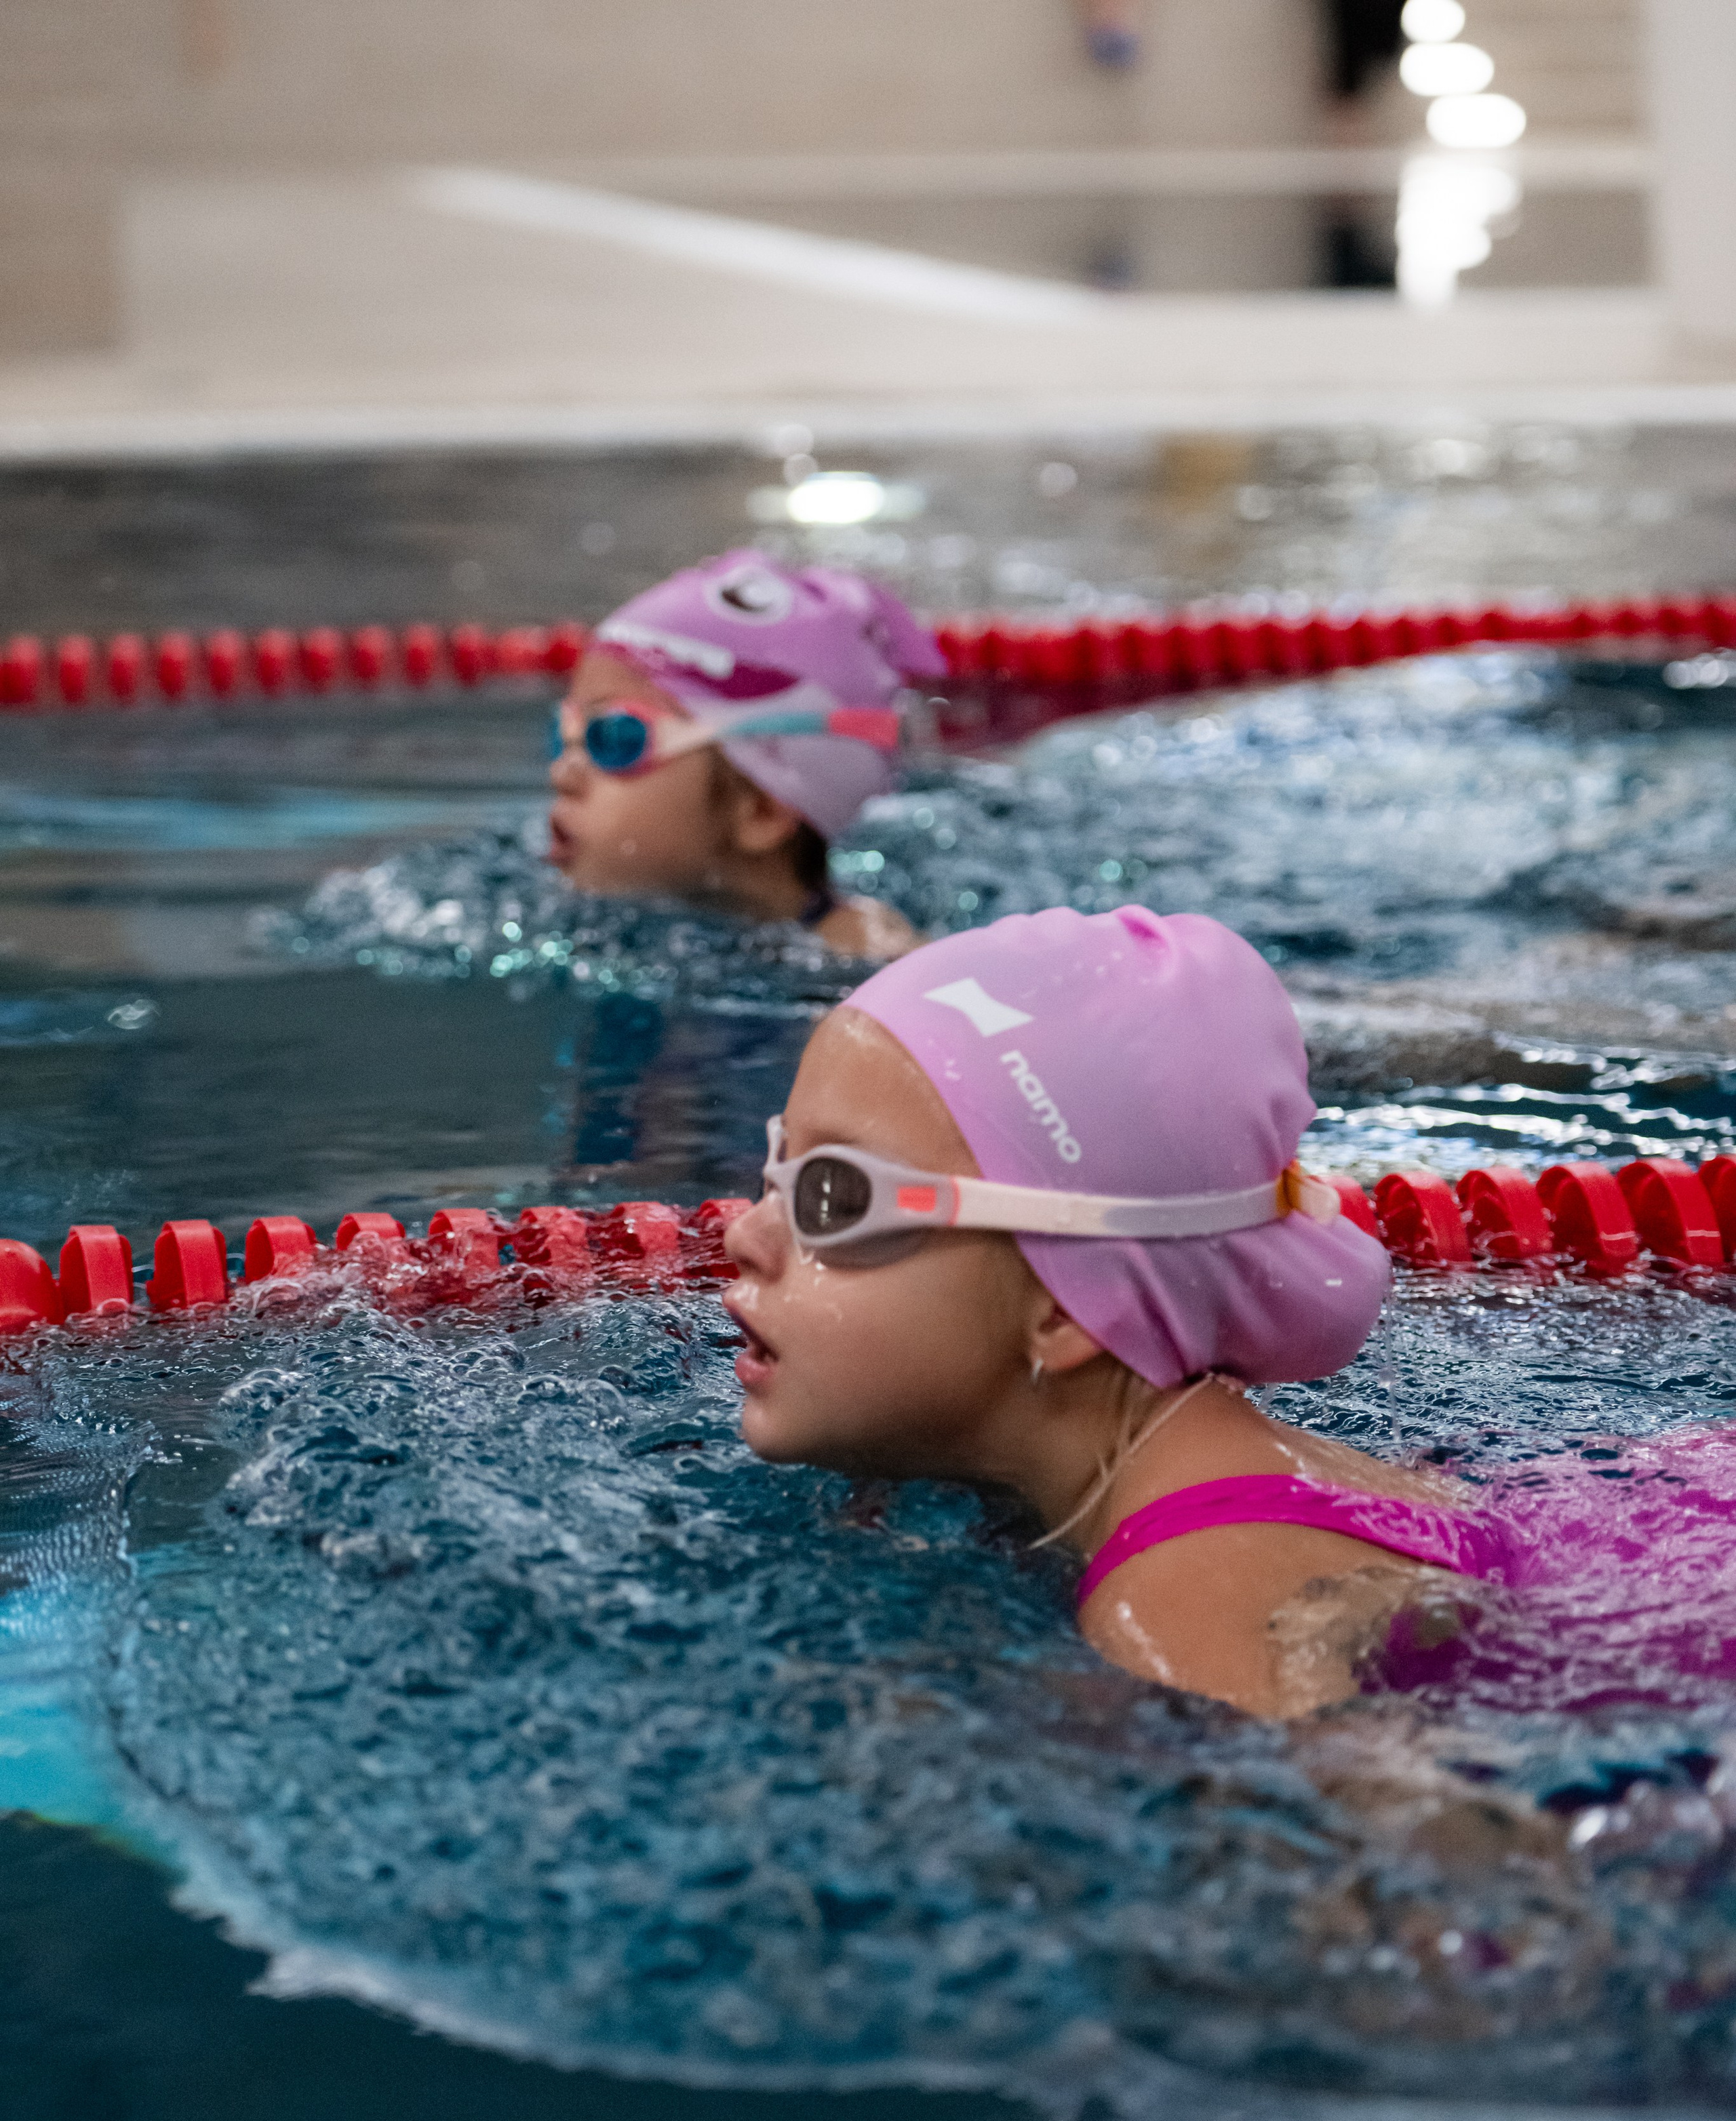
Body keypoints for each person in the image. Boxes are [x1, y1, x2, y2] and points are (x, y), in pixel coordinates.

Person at [720, 904, 1736, 1718]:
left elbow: (1442, 1904)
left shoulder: (1181, 1595)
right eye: (777, 1170)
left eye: (832, 1200)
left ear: (1067, 1311)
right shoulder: (1133, 1484)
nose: (744, 1237)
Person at [548, 551, 935, 962]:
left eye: (614, 737)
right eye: (564, 732)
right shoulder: (597, 926)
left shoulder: (867, 967)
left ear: (760, 812)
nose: (562, 775)